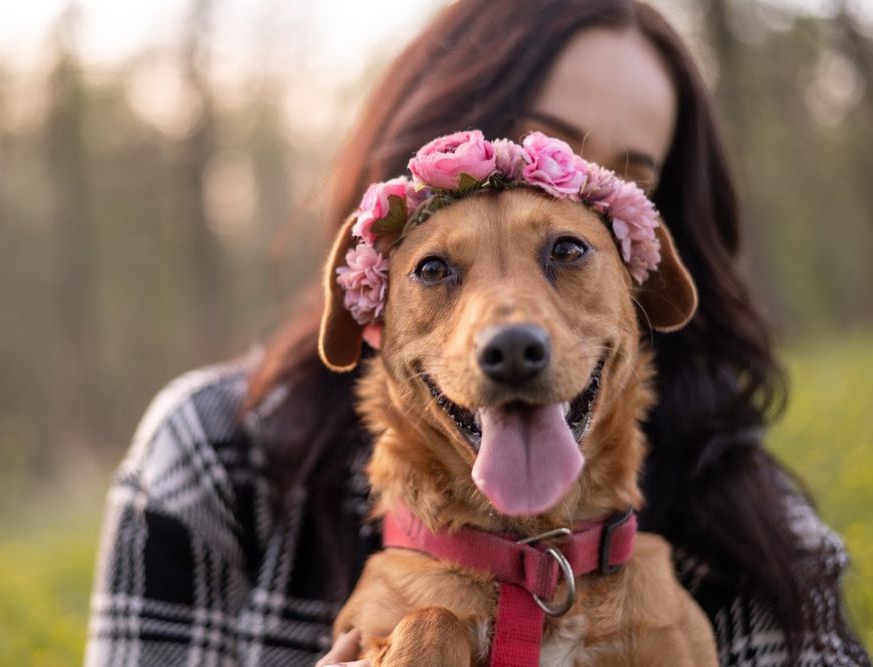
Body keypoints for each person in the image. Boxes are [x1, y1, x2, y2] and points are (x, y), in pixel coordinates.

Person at [84, 1, 870, 665]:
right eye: (437, 270)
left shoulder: (747, 513)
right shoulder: (208, 454)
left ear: (646, 270)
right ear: (370, 307)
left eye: (571, 245)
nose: (512, 329)